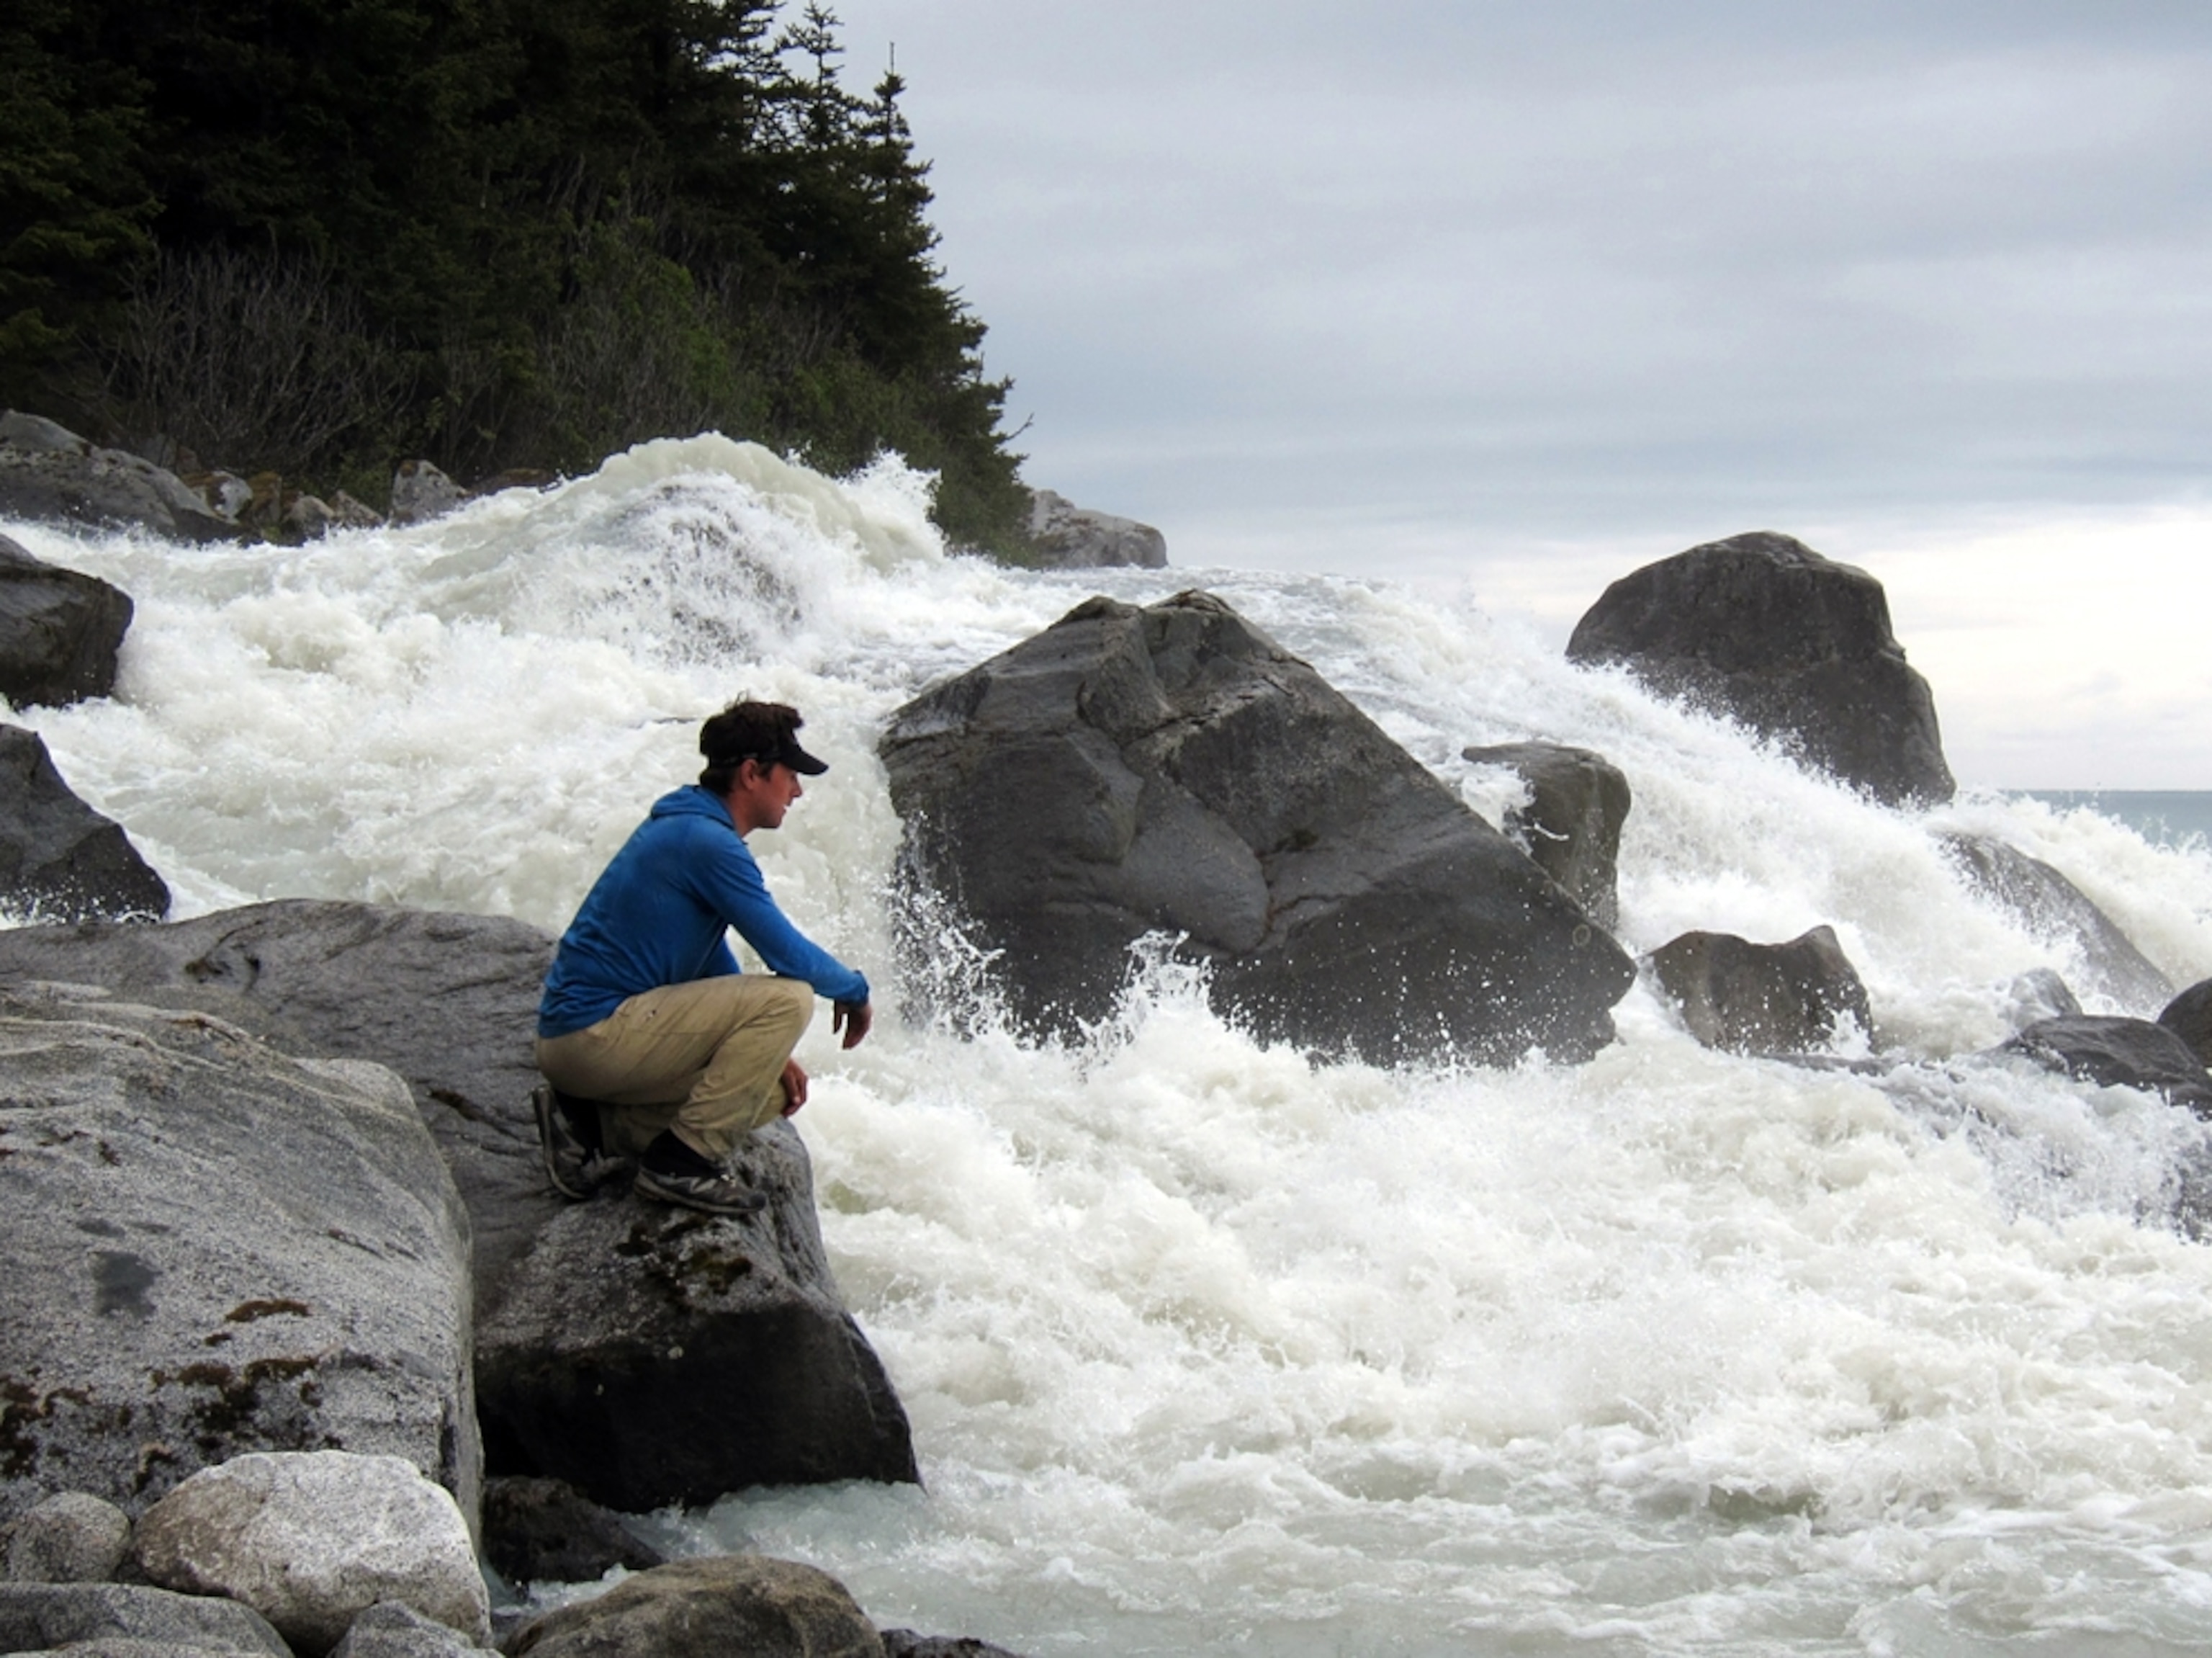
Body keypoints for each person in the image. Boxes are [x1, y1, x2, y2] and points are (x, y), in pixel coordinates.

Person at [531, 699, 872, 1216]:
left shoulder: (693, 827)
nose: (798, 791)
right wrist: (856, 991)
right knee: (790, 1000)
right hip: (590, 1036)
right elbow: (787, 954)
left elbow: (711, 959)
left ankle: (585, 1126)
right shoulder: (705, 842)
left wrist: (765, 1053)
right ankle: (681, 1166)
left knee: (769, 1097)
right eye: (791, 775)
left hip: (589, 1046)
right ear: (753, 773)